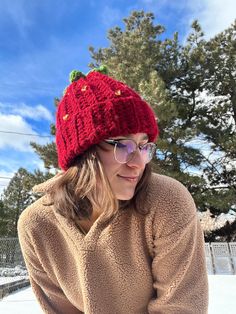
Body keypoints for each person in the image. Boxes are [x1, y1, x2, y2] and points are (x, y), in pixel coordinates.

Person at [18, 66, 208, 314]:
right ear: (82, 154)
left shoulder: (166, 201)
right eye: (122, 145)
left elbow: (181, 307)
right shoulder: (37, 225)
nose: (139, 162)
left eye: (143, 146)